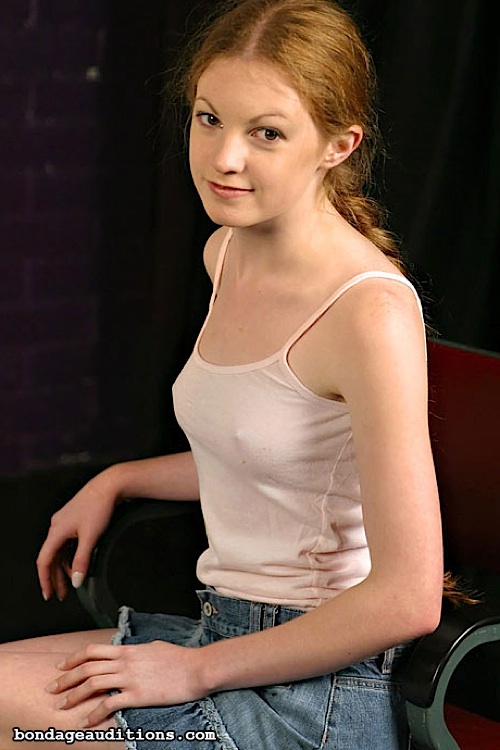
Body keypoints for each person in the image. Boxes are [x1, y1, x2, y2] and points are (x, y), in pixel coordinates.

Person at [0, 0, 444, 747]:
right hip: (222, 633)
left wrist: (194, 672)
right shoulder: (227, 252)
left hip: (319, 691)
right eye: (209, 119)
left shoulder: (370, 312)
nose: (223, 158)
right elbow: (271, 457)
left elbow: (408, 599)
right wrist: (120, 478)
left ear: (338, 145)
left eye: (266, 132)